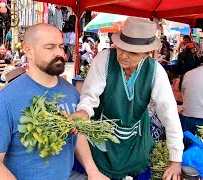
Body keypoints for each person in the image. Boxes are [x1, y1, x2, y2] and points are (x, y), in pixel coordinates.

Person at [0, 23, 108, 180]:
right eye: (50, 47)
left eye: (61, 46)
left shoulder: (70, 92)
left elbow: (77, 134)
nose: (60, 52)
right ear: (29, 51)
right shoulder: (6, 100)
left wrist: (92, 170)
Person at [71, 17, 184, 180]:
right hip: (101, 138)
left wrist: (175, 160)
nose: (124, 55)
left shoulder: (155, 72)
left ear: (146, 53)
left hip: (135, 141)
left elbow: (169, 114)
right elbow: (90, 96)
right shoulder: (104, 59)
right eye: (121, 48)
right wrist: (84, 111)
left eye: (132, 52)